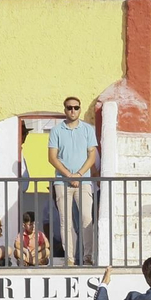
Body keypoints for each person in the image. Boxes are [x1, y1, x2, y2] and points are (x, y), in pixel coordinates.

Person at [48, 95, 99, 264]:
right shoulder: (56, 130)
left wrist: (79, 174)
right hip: (62, 182)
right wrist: (69, 175)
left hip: (83, 181)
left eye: (76, 107)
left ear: (80, 109)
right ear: (65, 110)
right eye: (69, 107)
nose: (72, 110)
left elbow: (92, 155)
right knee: (65, 221)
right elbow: (52, 157)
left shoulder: (87, 129)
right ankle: (69, 258)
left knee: (86, 218)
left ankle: (88, 256)